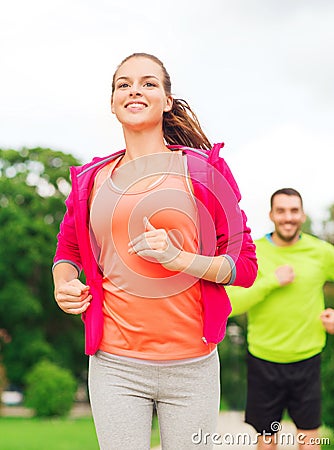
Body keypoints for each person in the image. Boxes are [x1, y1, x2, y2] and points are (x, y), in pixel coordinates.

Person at [52, 52, 257, 450]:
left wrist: (179, 259)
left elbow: (244, 266)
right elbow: (69, 247)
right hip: (115, 364)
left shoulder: (204, 171)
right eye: (123, 84)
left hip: (192, 365)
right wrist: (65, 283)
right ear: (112, 103)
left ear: (166, 100)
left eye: (148, 83)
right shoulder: (90, 180)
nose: (134, 90)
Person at [226, 187, 334, 450]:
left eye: (294, 211)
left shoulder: (321, 252)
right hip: (264, 359)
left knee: (310, 442)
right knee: (267, 442)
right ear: (271, 215)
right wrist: (271, 282)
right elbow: (230, 304)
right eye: (282, 211)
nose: (288, 217)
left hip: (307, 360)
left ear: (303, 214)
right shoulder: (254, 252)